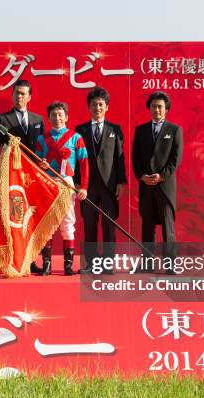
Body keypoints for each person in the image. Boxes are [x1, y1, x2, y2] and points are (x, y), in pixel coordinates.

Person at [0, 79, 46, 274]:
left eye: (23, 93)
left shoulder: (37, 120)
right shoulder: (3, 119)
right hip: (10, 173)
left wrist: (45, 163)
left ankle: (30, 258)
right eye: (17, 93)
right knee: (10, 214)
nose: (20, 96)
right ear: (12, 95)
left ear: (29, 97)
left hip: (31, 175)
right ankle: (8, 258)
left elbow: (43, 148)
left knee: (30, 215)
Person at [75, 87, 127, 274]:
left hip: (109, 186)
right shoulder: (80, 130)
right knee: (89, 225)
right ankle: (91, 263)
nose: (97, 107)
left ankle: (107, 264)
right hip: (87, 186)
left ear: (107, 107)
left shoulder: (115, 129)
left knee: (108, 226)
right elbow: (76, 158)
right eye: (94, 104)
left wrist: (121, 182)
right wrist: (77, 182)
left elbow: (120, 158)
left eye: (101, 104)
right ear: (88, 107)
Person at [132, 91, 183, 274]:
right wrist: (142, 176)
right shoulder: (141, 130)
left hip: (165, 187)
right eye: (153, 106)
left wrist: (161, 176)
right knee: (148, 227)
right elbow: (135, 158)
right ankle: (147, 263)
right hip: (146, 186)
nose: (157, 109)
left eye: (160, 106)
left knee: (168, 229)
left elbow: (175, 161)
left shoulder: (175, 130)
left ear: (166, 109)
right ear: (149, 108)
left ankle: (170, 265)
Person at [35, 101, 89, 276]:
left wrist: (84, 187)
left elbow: (84, 164)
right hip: (47, 183)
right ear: (48, 118)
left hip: (66, 183)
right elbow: (35, 163)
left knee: (67, 222)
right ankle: (47, 264)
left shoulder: (76, 138)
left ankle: (68, 265)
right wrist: (40, 164)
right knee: (47, 224)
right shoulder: (41, 139)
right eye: (53, 115)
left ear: (66, 117)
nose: (57, 118)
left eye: (60, 114)